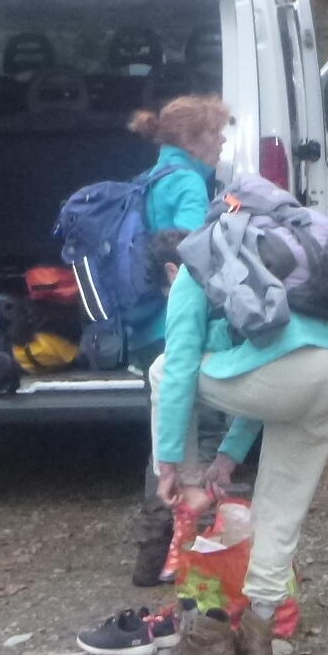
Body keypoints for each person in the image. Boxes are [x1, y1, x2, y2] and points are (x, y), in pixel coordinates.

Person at [150, 230, 328, 655]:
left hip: (286, 374)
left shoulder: (193, 268)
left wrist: (171, 466)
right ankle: (258, 639)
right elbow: (265, 385)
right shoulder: (277, 262)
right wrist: (228, 456)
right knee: (281, 510)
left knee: (161, 369)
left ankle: (190, 490)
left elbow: (181, 366)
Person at [126, 96, 229, 586]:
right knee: (188, 437)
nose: (223, 141)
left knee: (163, 430)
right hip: (176, 325)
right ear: (191, 140)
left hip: (149, 323)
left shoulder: (153, 177)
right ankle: (179, 549)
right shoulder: (187, 182)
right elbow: (192, 260)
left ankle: (155, 555)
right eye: (216, 133)